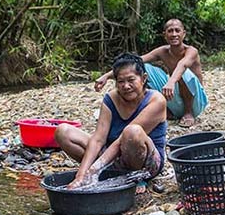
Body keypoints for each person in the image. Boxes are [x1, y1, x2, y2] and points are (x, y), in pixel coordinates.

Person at [56, 53, 167, 188]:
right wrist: (81, 175)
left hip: (145, 164)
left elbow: (122, 139)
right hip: (114, 158)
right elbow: (98, 139)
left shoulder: (156, 100)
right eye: (121, 81)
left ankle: (135, 180)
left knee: (132, 132)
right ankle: (110, 173)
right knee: (63, 131)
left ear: (143, 79)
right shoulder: (111, 98)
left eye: (131, 80)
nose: (126, 86)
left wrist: (94, 169)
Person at [94, 18, 207, 127]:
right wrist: (107, 76)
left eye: (177, 30)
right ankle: (162, 110)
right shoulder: (162, 51)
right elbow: (133, 62)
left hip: (195, 102)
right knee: (143, 68)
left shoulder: (191, 51)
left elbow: (182, 65)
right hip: (175, 98)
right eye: (170, 31)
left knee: (184, 72)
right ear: (165, 35)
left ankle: (188, 113)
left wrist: (171, 81)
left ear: (184, 34)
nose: (174, 34)